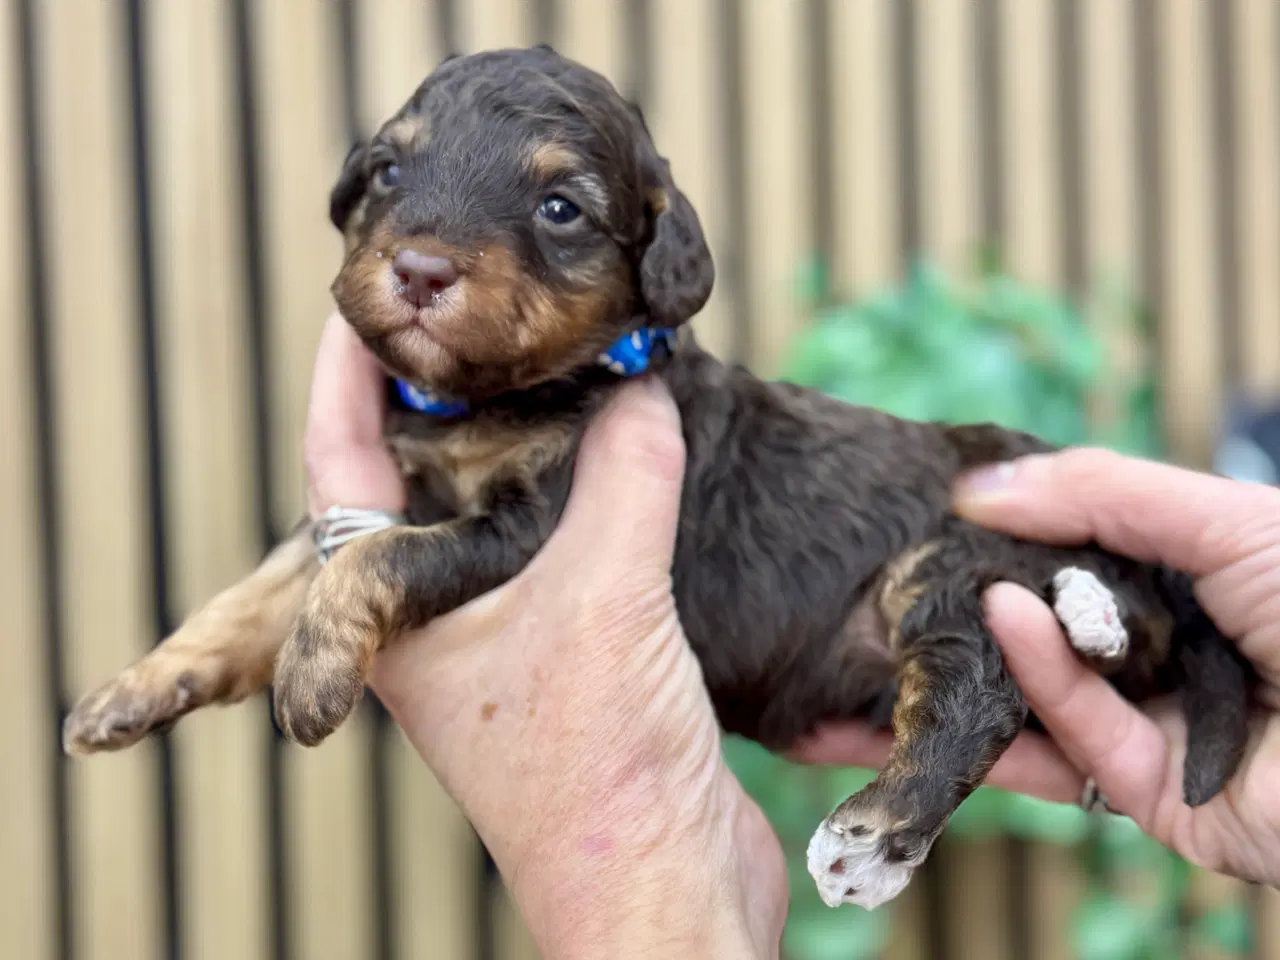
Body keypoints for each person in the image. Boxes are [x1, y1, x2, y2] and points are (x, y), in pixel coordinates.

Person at [304, 312, 1280, 957]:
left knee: (981, 606)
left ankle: (1049, 670)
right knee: (979, 628)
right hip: (854, 640)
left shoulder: (646, 415)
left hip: (980, 559)